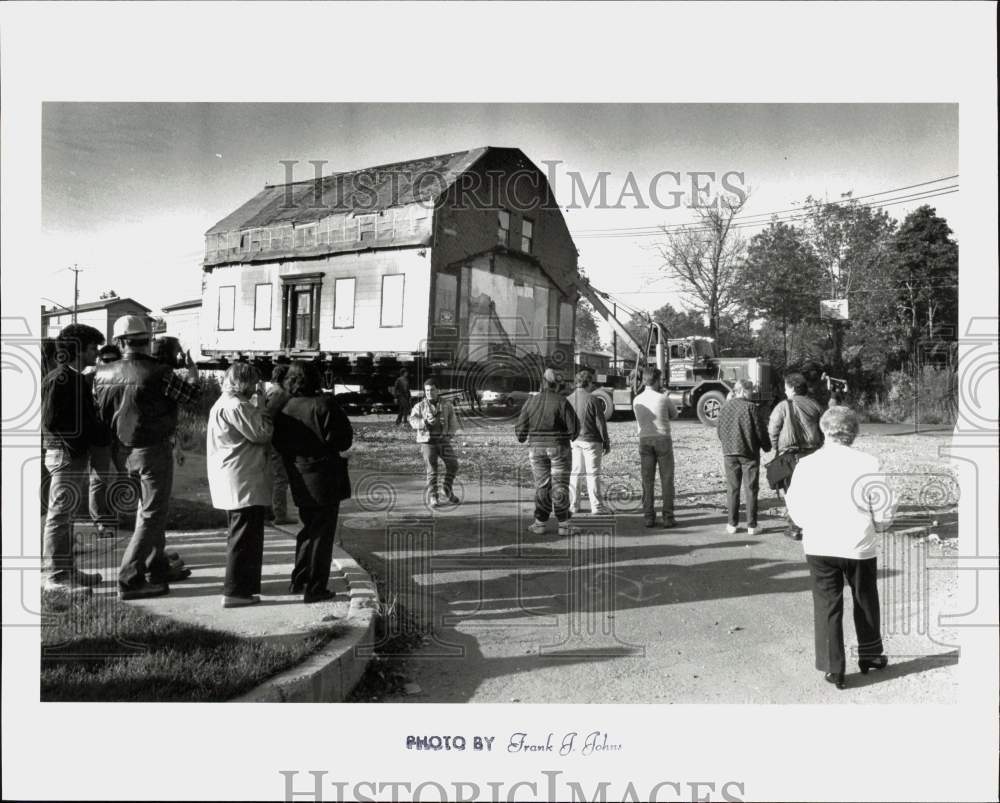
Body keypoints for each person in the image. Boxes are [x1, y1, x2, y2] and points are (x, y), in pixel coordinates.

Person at [93, 314, 201, 600]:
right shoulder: (159, 372)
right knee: (152, 515)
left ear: (119, 341)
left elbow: (100, 413)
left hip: (121, 449)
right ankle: (129, 578)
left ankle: (156, 566)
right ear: (147, 339)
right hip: (152, 449)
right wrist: (192, 372)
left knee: (148, 511)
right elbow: (192, 397)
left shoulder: (102, 374)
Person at [785, 406, 891, 690]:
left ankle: (834, 667)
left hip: (820, 543)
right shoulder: (869, 463)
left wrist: (809, 524)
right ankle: (870, 654)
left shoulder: (807, 464)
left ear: (823, 429)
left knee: (827, 603)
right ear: (853, 432)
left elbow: (794, 505)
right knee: (865, 598)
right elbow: (882, 505)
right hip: (858, 543)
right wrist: (880, 524)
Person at [272, 361, 354, 603]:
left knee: (308, 529)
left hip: (297, 473)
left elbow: (277, 443)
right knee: (322, 534)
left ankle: (298, 579)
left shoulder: (284, 406)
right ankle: (316, 587)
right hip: (325, 476)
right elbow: (343, 441)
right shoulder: (325, 404)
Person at [40, 324, 109, 594]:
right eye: (94, 347)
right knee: (58, 516)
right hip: (65, 454)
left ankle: (68, 570)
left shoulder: (75, 378)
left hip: (72, 454)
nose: (97, 352)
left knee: (66, 516)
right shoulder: (60, 379)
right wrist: (75, 446)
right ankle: (56, 577)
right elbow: (50, 420)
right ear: (78, 350)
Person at [207, 363, 274, 608]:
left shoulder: (223, 402)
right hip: (242, 477)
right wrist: (263, 408)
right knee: (244, 537)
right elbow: (262, 433)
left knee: (242, 534)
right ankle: (235, 591)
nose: (256, 387)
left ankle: (245, 587)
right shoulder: (238, 405)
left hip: (235, 475)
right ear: (245, 383)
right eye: (254, 382)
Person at [515, 368, 580, 536]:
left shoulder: (531, 401)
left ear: (542, 383)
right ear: (556, 384)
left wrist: (526, 436)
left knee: (542, 485)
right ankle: (564, 525)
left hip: (536, 449)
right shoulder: (562, 401)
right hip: (559, 447)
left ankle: (540, 523)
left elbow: (520, 432)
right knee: (560, 485)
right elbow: (574, 430)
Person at [767, 372, 825, 540]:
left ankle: (794, 527)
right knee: (811, 491)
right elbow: (825, 428)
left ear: (792, 388)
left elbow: (773, 429)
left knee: (791, 492)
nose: (785, 391)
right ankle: (812, 526)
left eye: (786, 388)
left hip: (790, 456)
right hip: (813, 453)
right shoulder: (815, 405)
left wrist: (775, 446)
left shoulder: (782, 406)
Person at [716, 378, 772, 535]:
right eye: (751, 391)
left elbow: (719, 430)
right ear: (743, 391)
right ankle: (752, 525)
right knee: (751, 488)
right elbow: (760, 431)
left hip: (729, 453)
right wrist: (767, 446)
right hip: (749, 453)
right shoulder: (751, 407)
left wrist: (727, 444)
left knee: (732, 488)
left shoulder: (725, 407)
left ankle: (732, 524)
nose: (752, 394)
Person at [84, 344, 126, 539]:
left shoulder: (125, 377)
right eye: (105, 360)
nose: (109, 364)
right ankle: (101, 521)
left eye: (113, 360)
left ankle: (117, 515)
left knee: (127, 475)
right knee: (99, 479)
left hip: (121, 433)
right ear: (100, 360)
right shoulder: (89, 378)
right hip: (100, 434)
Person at [632, 367, 678, 528]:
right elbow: (674, 415)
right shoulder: (663, 398)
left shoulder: (636, 399)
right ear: (657, 380)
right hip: (663, 438)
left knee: (647, 480)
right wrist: (667, 396)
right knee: (666, 479)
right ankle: (668, 517)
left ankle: (649, 517)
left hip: (644, 439)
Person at [408, 378, 460, 508]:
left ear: (438, 390)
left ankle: (446, 490)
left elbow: (453, 421)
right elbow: (412, 420)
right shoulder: (419, 406)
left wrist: (449, 436)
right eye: (427, 390)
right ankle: (433, 497)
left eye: (432, 390)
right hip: (428, 442)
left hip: (442, 441)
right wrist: (423, 422)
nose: (429, 393)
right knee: (432, 471)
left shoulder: (447, 405)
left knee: (453, 465)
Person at [566, 369, 611, 515]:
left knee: (576, 472)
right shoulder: (593, 399)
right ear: (588, 382)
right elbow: (600, 422)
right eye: (592, 383)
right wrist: (606, 441)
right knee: (593, 474)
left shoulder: (569, 398)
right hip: (591, 441)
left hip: (575, 440)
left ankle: (573, 505)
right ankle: (596, 507)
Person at [264, 362, 294, 524]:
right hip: (276, 439)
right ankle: (280, 514)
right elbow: (268, 416)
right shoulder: (280, 394)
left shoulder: (271, 390)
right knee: (280, 478)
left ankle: (270, 511)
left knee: (272, 476)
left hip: (271, 439)